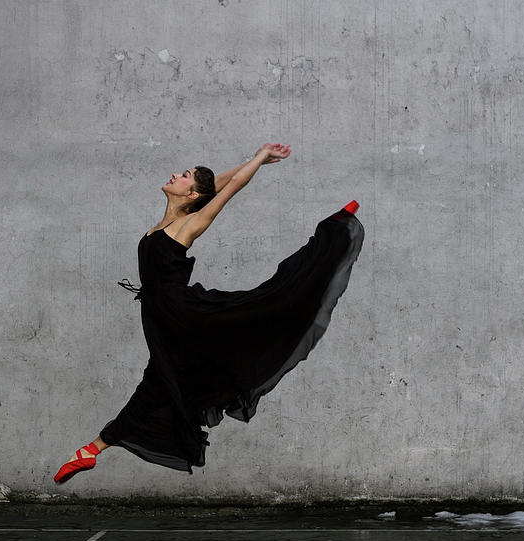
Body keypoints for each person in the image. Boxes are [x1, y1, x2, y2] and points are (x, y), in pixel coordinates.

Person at [54, 142, 363, 483]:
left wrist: (259, 158)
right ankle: (91, 450)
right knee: (158, 383)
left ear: (190, 194)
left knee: (261, 306)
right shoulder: (166, 223)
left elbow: (229, 188)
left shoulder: (188, 225)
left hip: (184, 315)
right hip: (162, 319)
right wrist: (250, 159)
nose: (175, 174)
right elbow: (216, 184)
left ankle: (331, 240)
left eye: (183, 175)